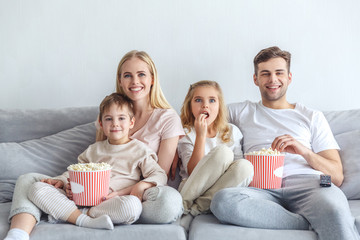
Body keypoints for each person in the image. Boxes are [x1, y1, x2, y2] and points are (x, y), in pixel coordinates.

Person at [5, 50, 184, 240]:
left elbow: (159, 174)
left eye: (141, 74)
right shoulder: (108, 114)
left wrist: (125, 192)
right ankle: (19, 234)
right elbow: (94, 165)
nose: (135, 81)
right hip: (95, 194)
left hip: (137, 197)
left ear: (152, 78)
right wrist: (64, 181)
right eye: (127, 75)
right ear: (120, 80)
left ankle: (69, 212)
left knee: (168, 202)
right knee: (28, 181)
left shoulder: (166, 118)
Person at [210, 46, 360, 240]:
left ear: (289, 77)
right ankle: (305, 222)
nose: (273, 80)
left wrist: (304, 151)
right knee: (222, 201)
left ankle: (319, 217)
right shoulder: (241, 111)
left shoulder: (312, 116)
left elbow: (337, 176)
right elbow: (203, 113)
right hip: (260, 188)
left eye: (279, 73)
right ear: (255, 79)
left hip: (308, 185)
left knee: (336, 211)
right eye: (265, 74)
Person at [27, 93, 167, 230]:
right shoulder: (94, 150)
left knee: (133, 206)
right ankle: (83, 219)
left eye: (121, 118)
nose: (115, 124)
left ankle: (78, 215)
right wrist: (62, 182)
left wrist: (142, 185)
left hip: (112, 203)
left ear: (131, 122)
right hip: (81, 200)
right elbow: (75, 173)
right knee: (36, 188)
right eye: (108, 119)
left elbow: (160, 174)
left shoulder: (140, 150)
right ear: (101, 123)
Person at [177, 80, 253, 217]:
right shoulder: (186, 133)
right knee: (223, 153)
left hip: (218, 190)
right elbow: (193, 171)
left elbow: (236, 170)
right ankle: (183, 204)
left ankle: (195, 210)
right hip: (191, 188)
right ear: (190, 106)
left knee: (246, 166)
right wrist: (200, 135)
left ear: (219, 106)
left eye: (212, 100)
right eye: (198, 100)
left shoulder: (232, 131)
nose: (205, 105)